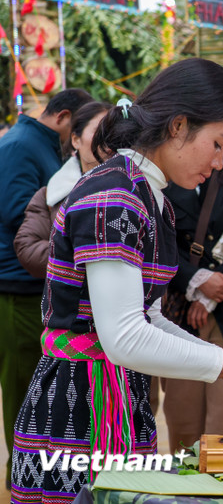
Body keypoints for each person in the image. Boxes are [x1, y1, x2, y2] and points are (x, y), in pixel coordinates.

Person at [11, 59, 223, 502]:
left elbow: (146, 318)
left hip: (118, 395)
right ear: (178, 125)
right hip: (80, 406)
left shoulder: (149, 194)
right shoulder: (114, 196)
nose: (219, 162)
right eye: (217, 144)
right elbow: (124, 337)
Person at [0, 88, 93, 485]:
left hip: (40, 286)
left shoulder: (39, 143)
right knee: (24, 389)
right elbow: (15, 211)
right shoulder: (21, 145)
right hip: (17, 286)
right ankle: (22, 478)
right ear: (65, 119)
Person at [161, 147, 223, 451]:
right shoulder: (165, 173)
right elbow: (157, 241)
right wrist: (195, 279)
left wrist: (215, 286)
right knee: (182, 416)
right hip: (181, 313)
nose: (216, 154)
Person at [14, 101, 112, 281]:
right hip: (69, 295)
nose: (107, 140)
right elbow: (27, 247)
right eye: (99, 131)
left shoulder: (136, 188)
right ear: (76, 140)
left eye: (114, 133)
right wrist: (84, 254)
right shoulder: (51, 193)